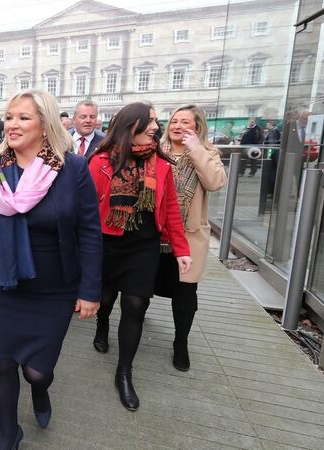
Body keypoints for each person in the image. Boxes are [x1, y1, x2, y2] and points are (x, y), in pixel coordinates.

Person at [0, 90, 102, 450]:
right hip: (2, 279)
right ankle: (8, 432)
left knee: (36, 371)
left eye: (23, 117)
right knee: (0, 361)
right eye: (9, 116)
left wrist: (91, 290)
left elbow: (89, 229)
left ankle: (41, 390)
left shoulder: (71, 167)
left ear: (44, 124)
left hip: (54, 285)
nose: (12, 124)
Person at [89, 102, 192, 411]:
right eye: (149, 122)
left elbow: (171, 208)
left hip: (144, 246)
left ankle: (124, 372)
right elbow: (84, 211)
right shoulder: (101, 162)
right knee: (105, 298)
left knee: (135, 304)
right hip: (108, 243)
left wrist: (182, 250)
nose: (154, 128)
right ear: (129, 126)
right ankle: (102, 325)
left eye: (155, 122)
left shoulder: (161, 164)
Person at [156, 105, 226, 371]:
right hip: (154, 232)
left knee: (185, 293)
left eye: (185, 122)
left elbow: (215, 182)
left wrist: (196, 149)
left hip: (188, 235)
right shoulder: (156, 150)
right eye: (174, 121)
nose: (177, 126)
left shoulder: (207, 153)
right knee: (143, 286)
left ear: (197, 127)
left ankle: (180, 343)